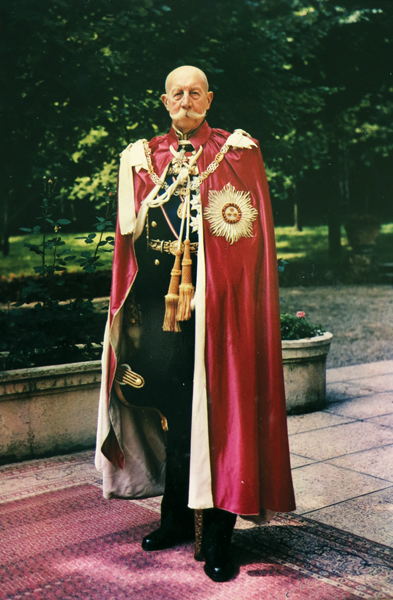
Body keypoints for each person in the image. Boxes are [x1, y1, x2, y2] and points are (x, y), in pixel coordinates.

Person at [95, 65, 295, 582]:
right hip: (161, 317)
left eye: (195, 93)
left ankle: (220, 538)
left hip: (221, 320)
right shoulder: (143, 158)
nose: (186, 100)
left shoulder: (238, 154)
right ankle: (177, 520)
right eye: (177, 93)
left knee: (223, 421)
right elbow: (130, 243)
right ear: (165, 101)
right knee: (175, 418)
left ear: (209, 99)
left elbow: (249, 250)